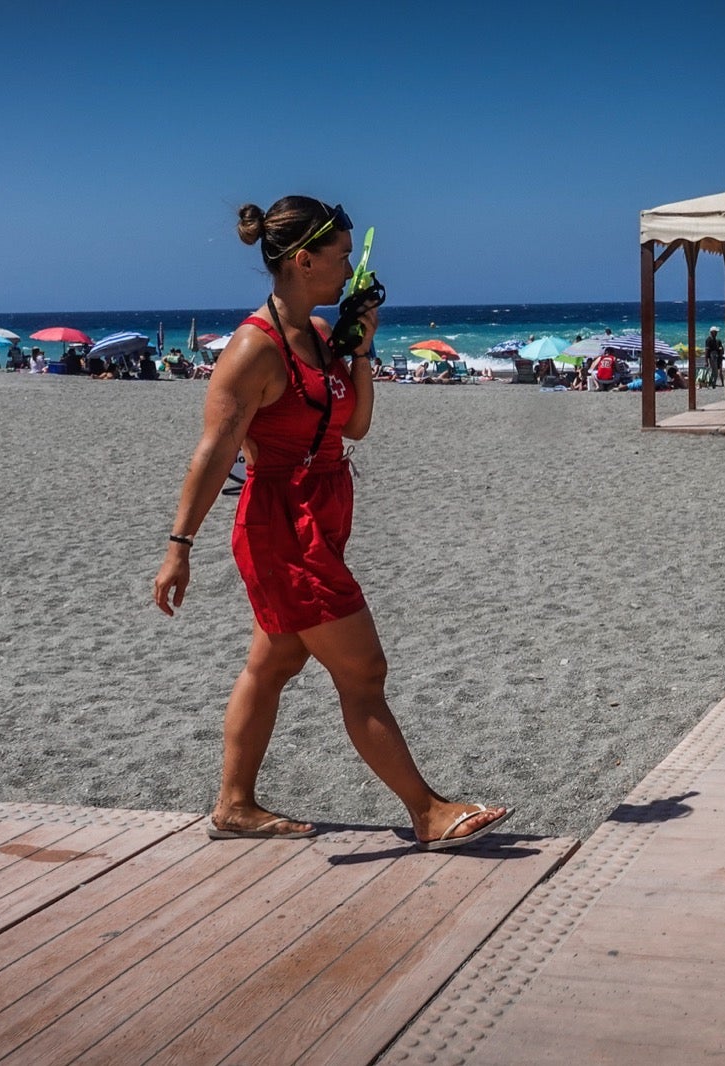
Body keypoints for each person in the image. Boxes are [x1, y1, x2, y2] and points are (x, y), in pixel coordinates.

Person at [151, 196, 510, 851]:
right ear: (303, 259)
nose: (350, 270)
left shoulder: (319, 337)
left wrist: (362, 352)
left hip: (324, 512)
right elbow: (213, 452)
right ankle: (426, 811)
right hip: (282, 528)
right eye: (341, 257)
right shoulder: (251, 351)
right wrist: (179, 546)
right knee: (364, 671)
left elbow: (357, 427)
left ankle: (234, 805)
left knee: (277, 659)